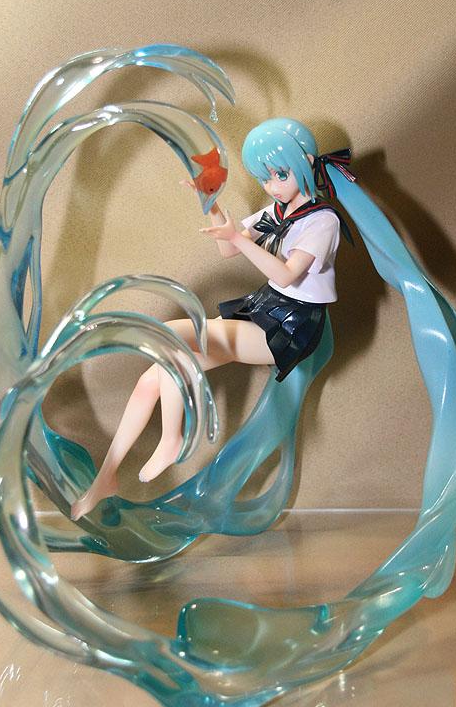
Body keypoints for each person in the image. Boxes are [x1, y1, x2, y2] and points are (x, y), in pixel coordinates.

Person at [71, 117, 353, 520]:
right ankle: (107, 476)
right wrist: (213, 204)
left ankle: (172, 439)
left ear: (306, 163)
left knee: (171, 339)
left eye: (280, 174)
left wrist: (238, 238)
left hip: (292, 326)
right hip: (265, 308)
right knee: (152, 378)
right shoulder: (279, 208)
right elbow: (228, 249)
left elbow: (287, 274)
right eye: (265, 178)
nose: (272, 185)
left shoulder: (322, 220)